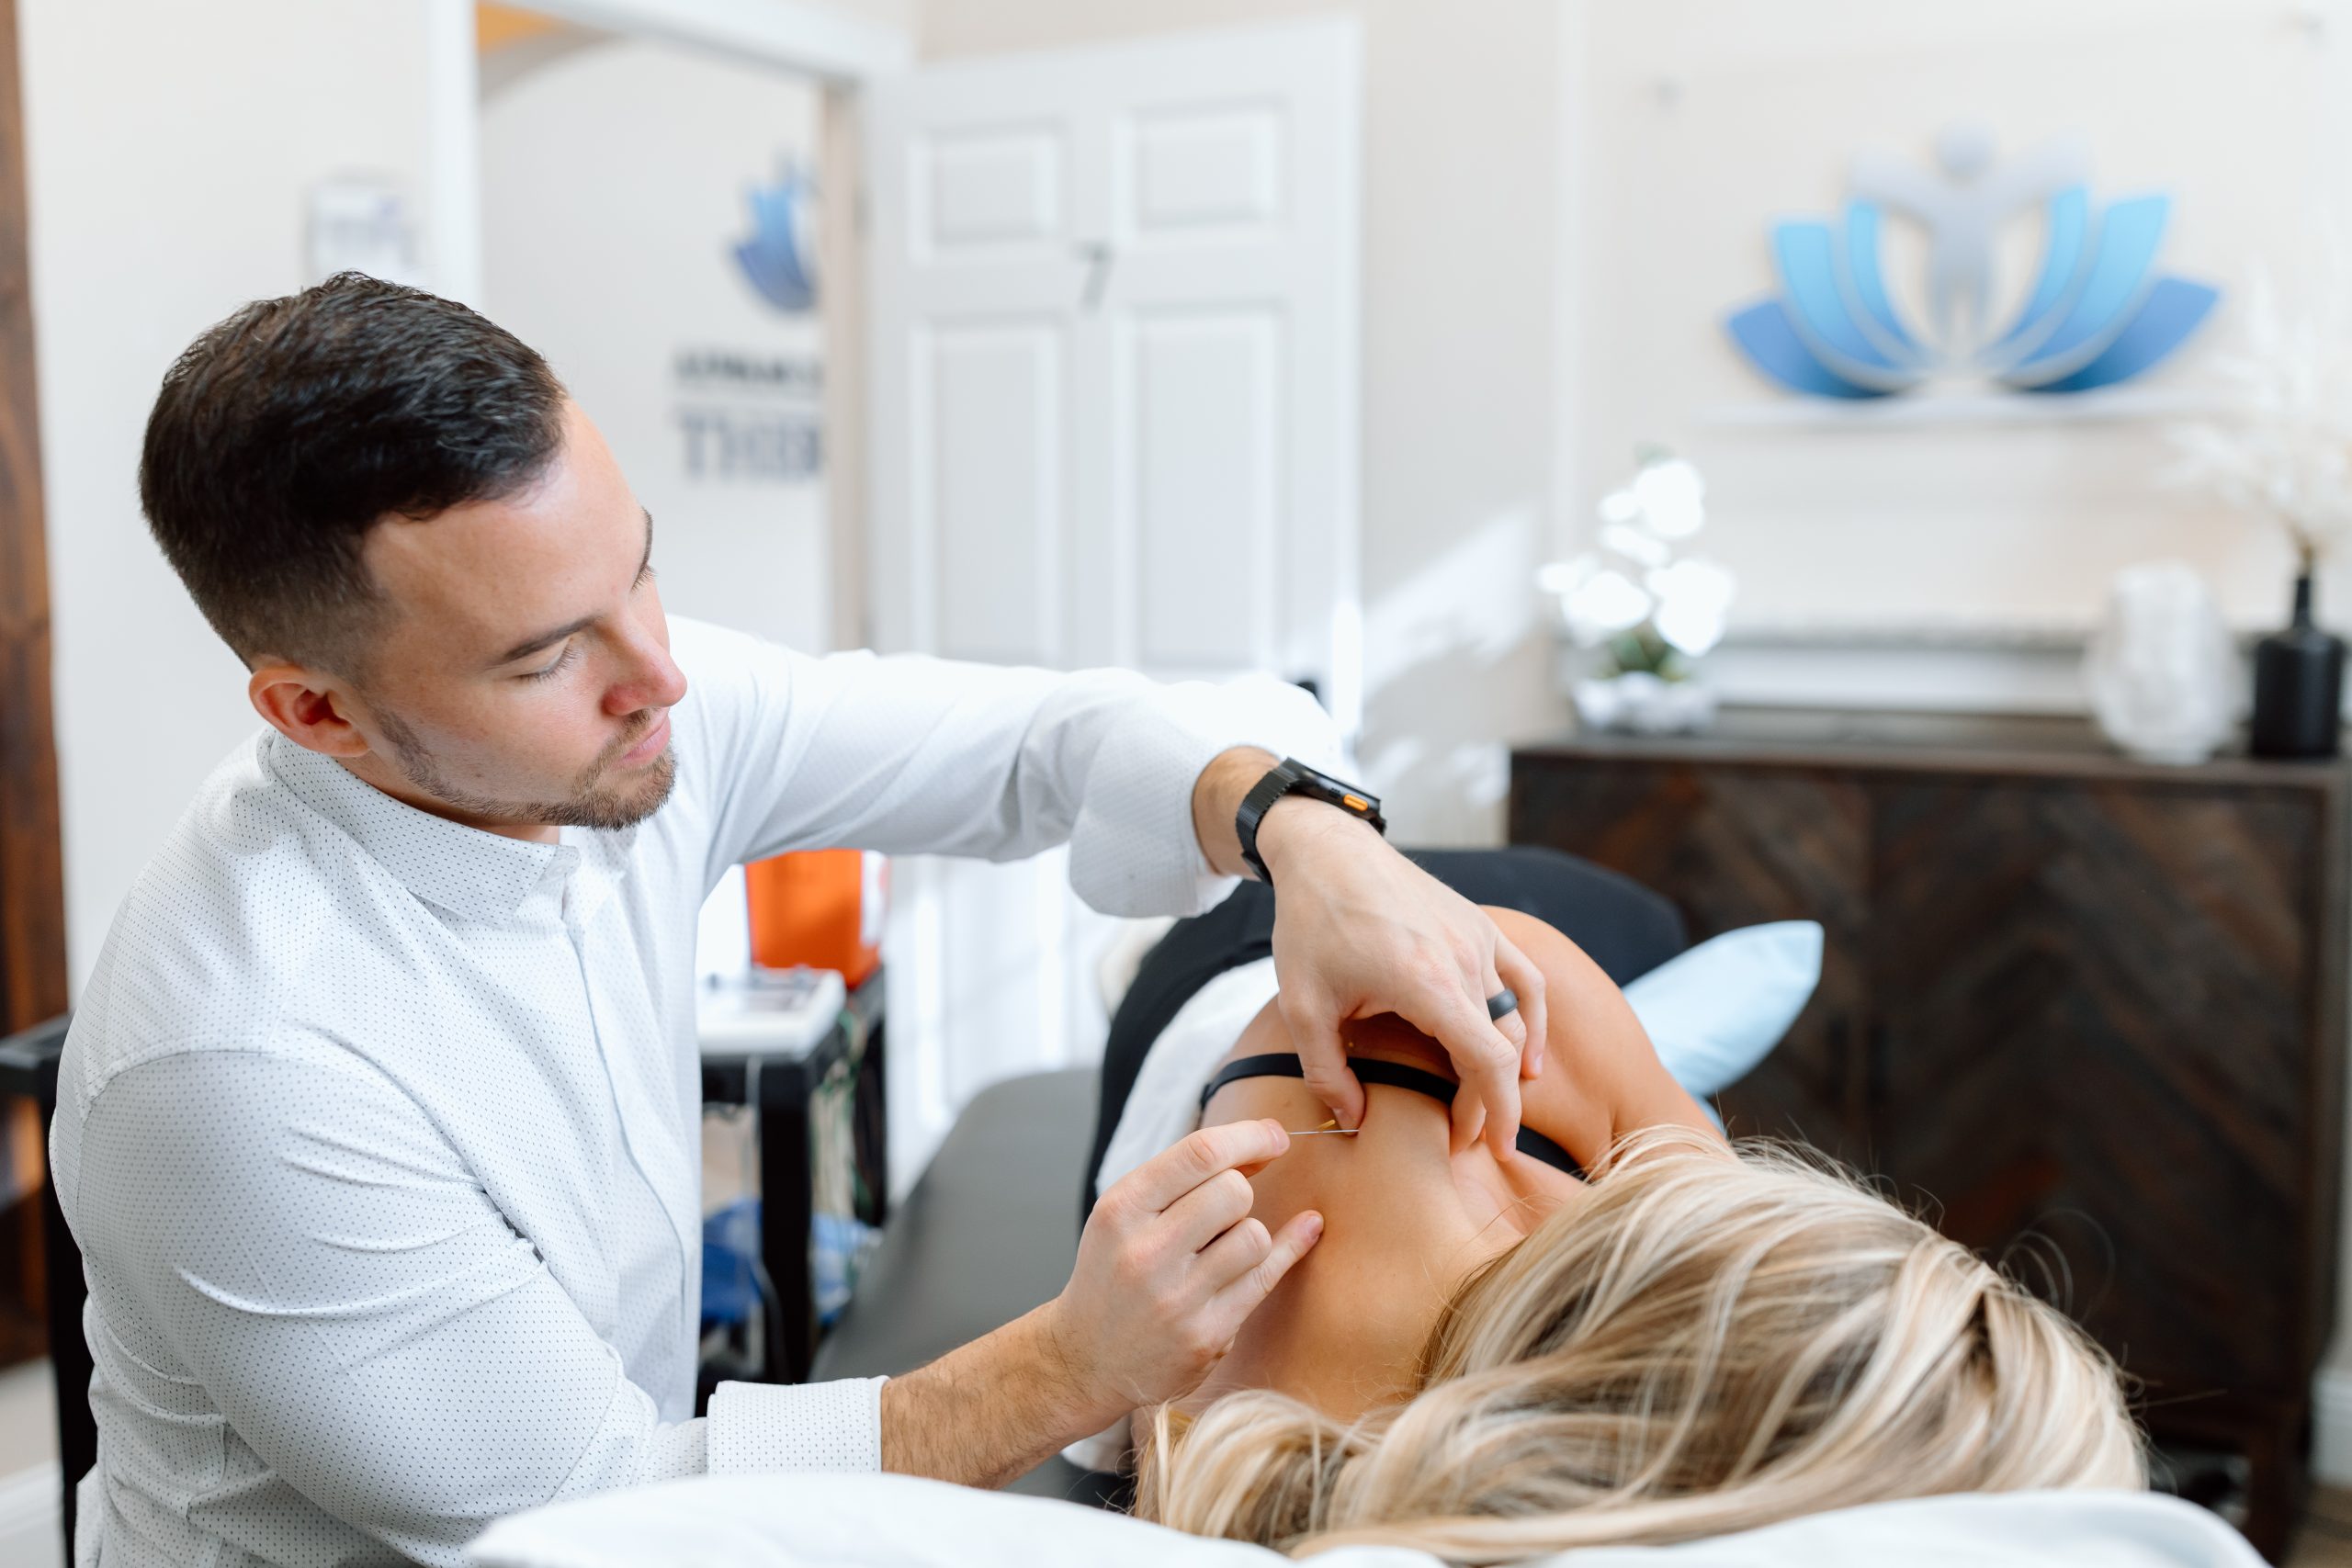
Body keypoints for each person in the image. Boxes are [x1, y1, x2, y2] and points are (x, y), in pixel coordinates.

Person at [51, 273, 1556, 1568]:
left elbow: (1044, 743)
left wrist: (1301, 825)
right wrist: (1069, 1361)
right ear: (316, 711)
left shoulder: (625, 710)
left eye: (640, 565)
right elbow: (597, 1513)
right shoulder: (236, 1065)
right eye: (547, 654)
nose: (661, 674)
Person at [1081, 857, 2143, 1557]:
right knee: (1634, 926)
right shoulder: (1467, 1005)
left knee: (1639, 947)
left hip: (1453, 1054)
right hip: (1257, 941)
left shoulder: (1353, 1412)